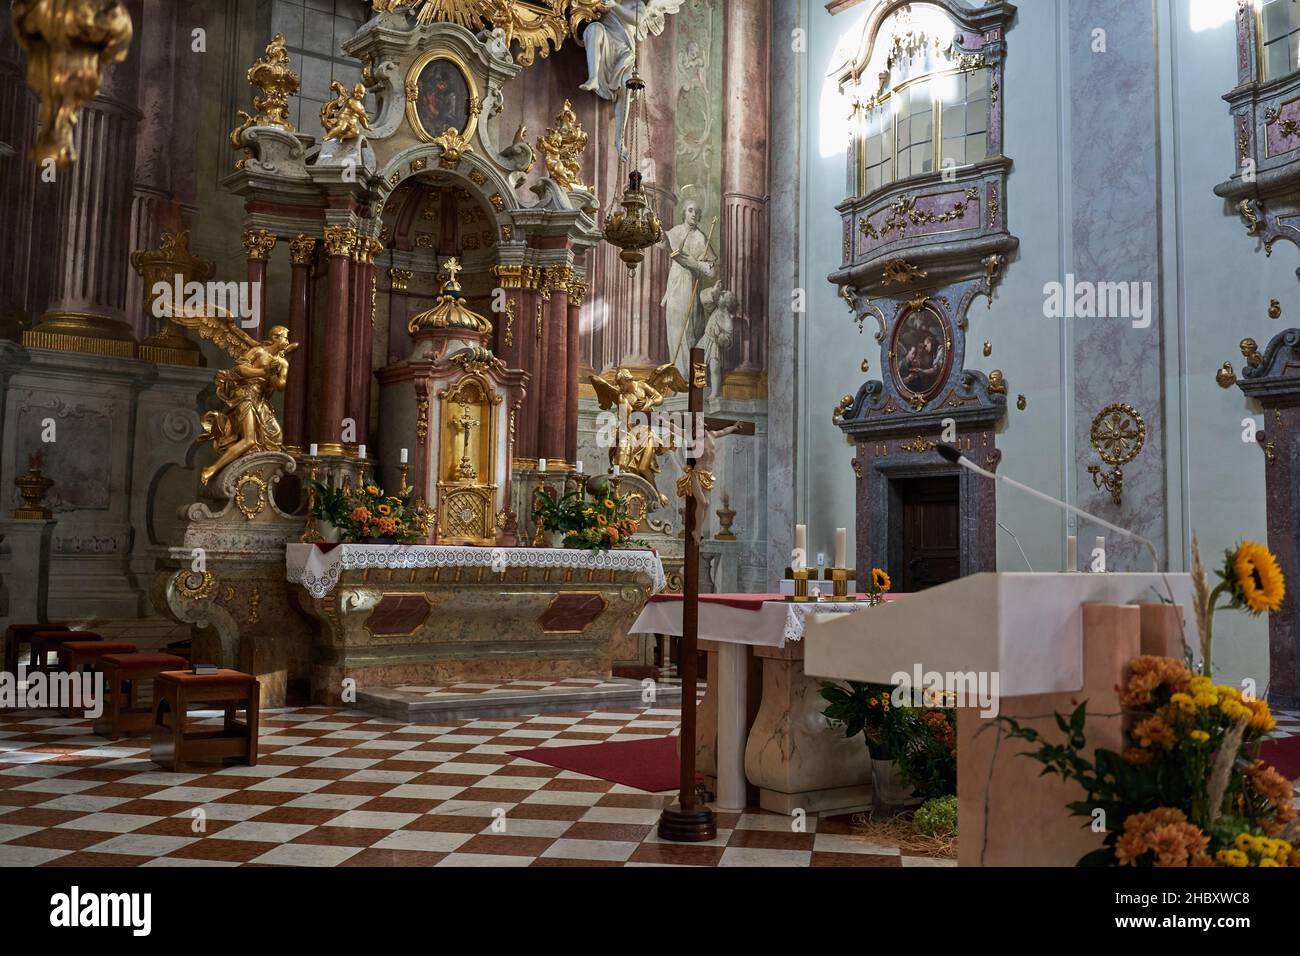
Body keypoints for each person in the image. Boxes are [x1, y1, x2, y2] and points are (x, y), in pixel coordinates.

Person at [662, 200, 715, 377]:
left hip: (691, 284)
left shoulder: (701, 238)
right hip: (676, 283)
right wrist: (697, 264)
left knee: (692, 329)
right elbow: (668, 247)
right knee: (676, 329)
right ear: (684, 213)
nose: (693, 214)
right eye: (690, 210)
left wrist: (699, 265)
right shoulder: (675, 232)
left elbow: (712, 270)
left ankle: (691, 379)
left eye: (697, 212)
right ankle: (679, 376)